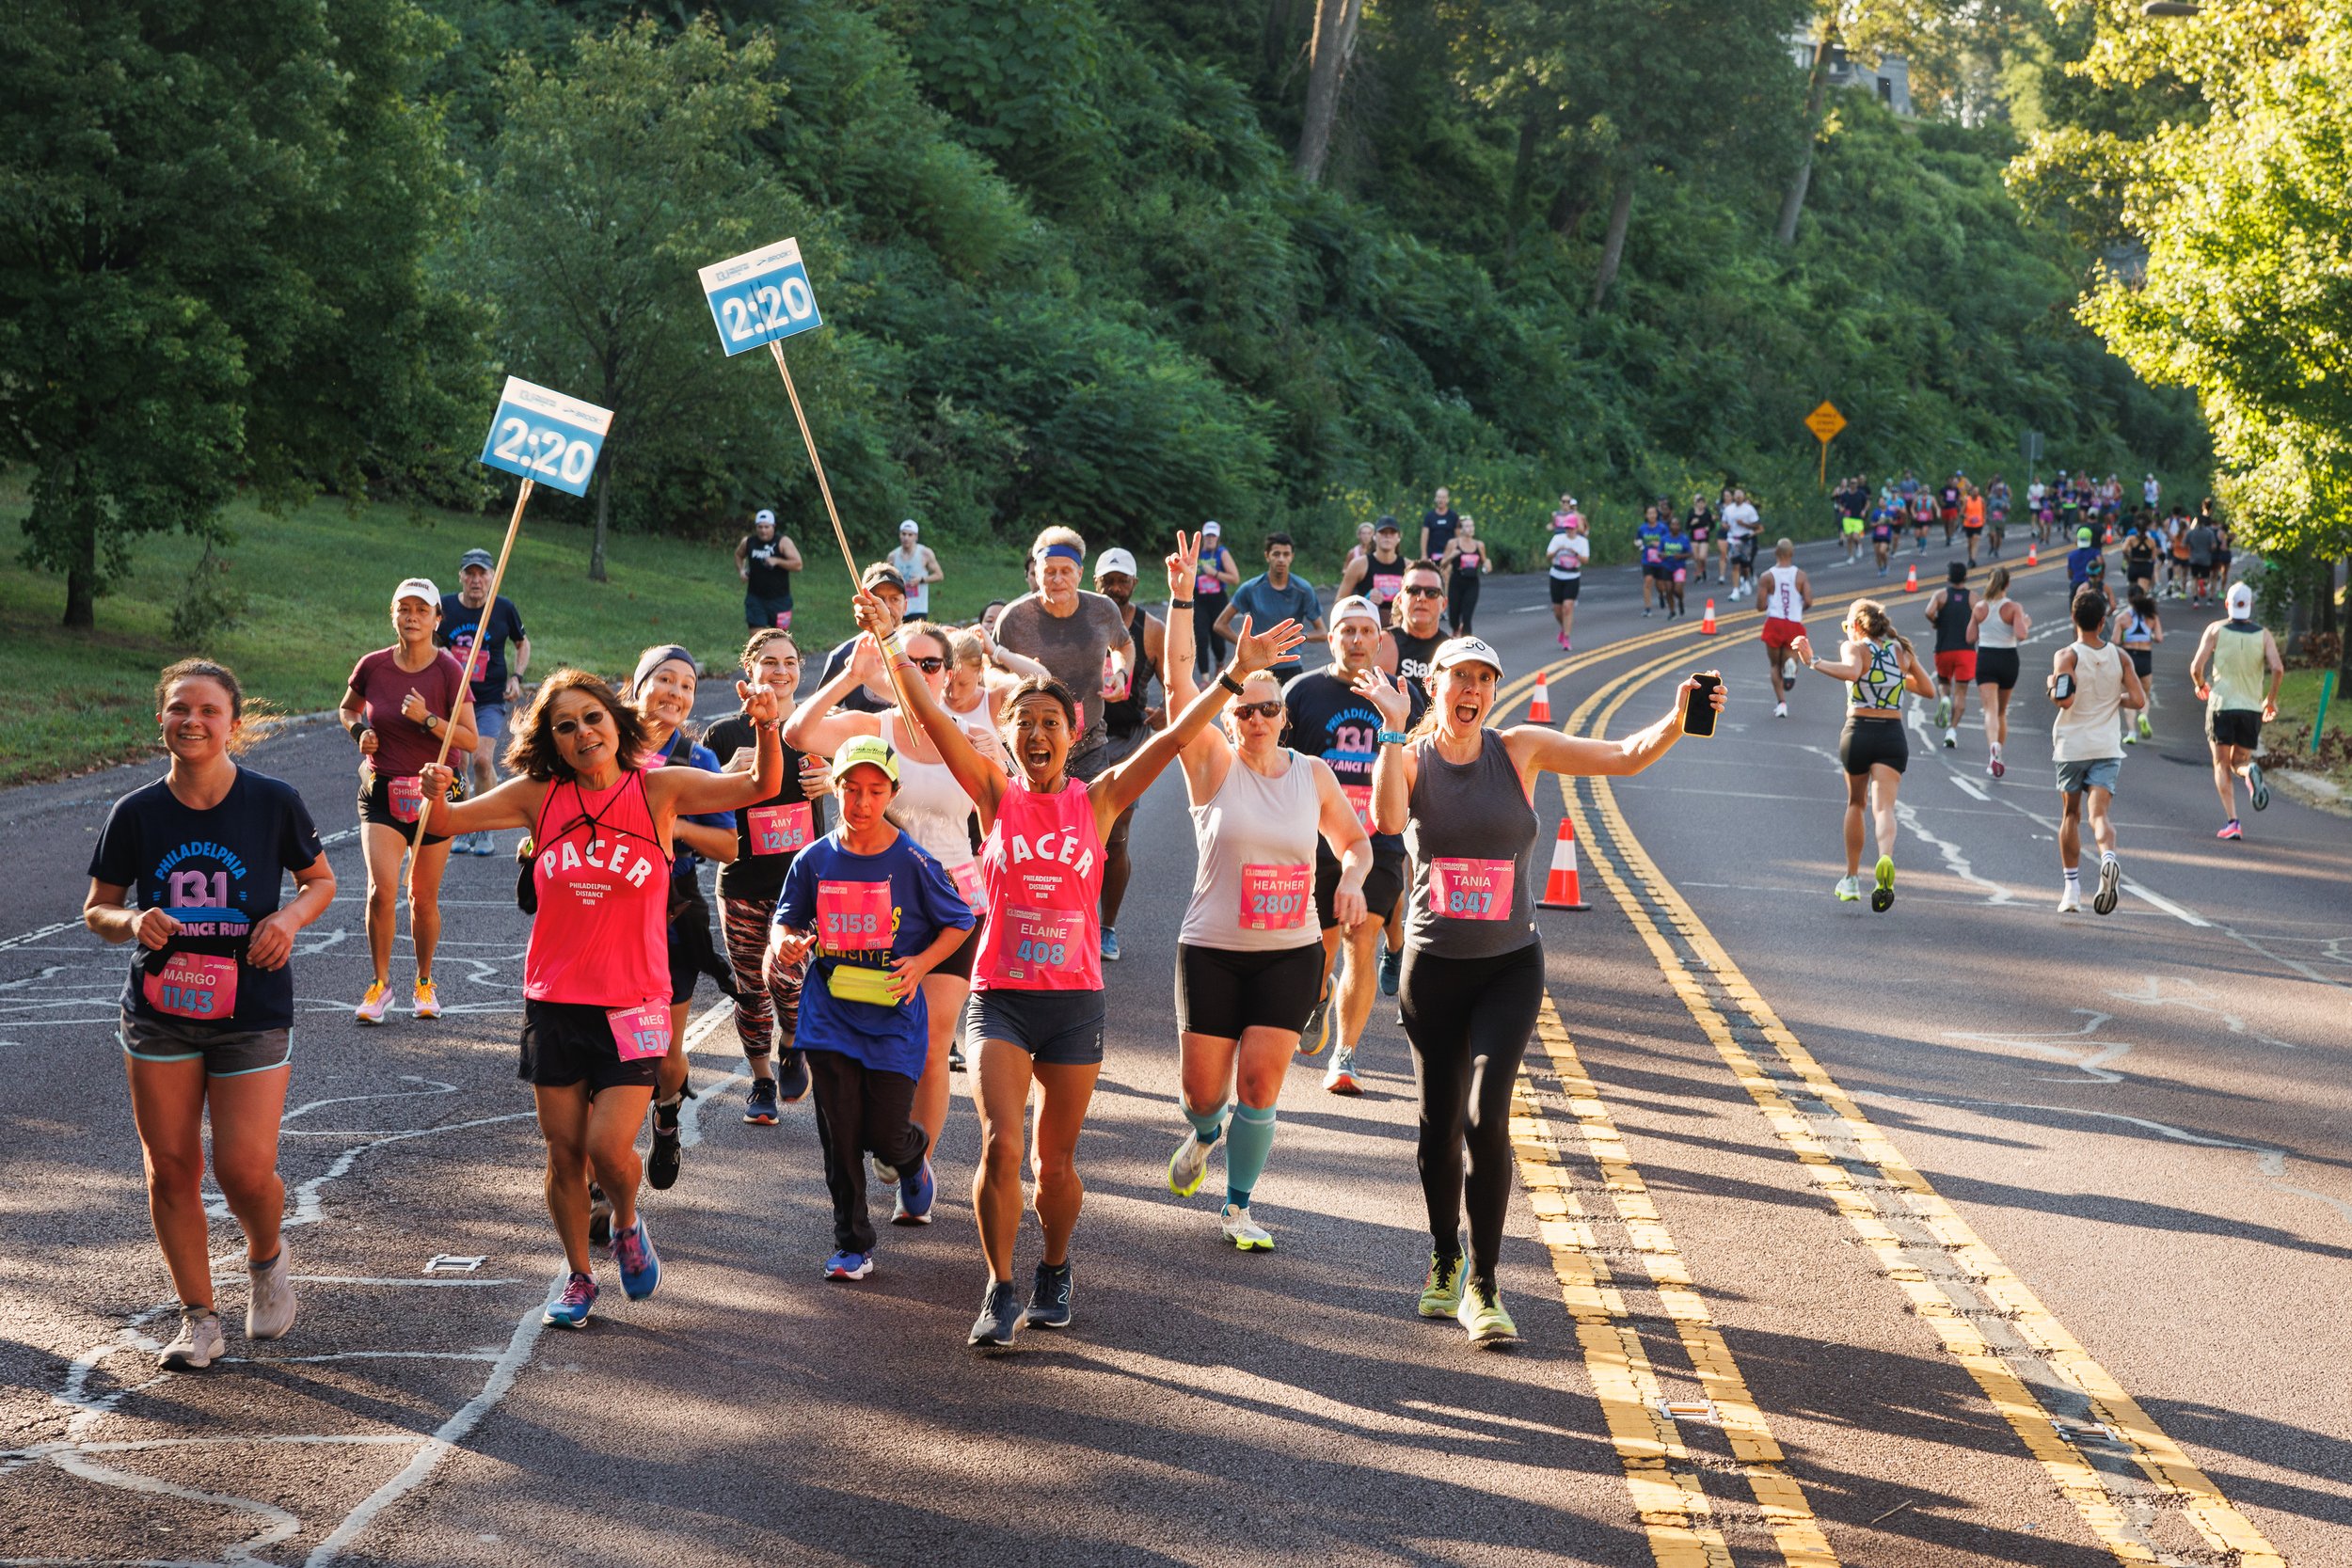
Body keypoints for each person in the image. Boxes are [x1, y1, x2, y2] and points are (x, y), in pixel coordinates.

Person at [872, 542, 1307, 1350]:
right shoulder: (994, 792)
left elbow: (1175, 738)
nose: (1037, 733)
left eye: (1050, 723)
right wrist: (896, 640)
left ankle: (1056, 1266)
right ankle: (1000, 1285)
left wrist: (1230, 676)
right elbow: (931, 716)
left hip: (1073, 1003)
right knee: (1002, 1145)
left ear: (1071, 732)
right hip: (1000, 993)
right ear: (1006, 736)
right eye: (1024, 723)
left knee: (1055, 1166)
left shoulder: (1099, 797)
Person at [1357, 640, 1718, 1346]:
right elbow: (1390, 822)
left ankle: (1485, 1284)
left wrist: (1676, 720)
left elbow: (1622, 755)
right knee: (1439, 1127)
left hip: (1508, 965)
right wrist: (1396, 728)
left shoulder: (1519, 748)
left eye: (1486, 679)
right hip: (1432, 966)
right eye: (1461, 676)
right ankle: (1444, 1253)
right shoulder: (1409, 755)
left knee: (1487, 1114)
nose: (1474, 689)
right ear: (1436, 684)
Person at [417, 666, 785, 1327]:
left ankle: (626, 1219)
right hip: (555, 1002)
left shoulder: (659, 788)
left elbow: (761, 785)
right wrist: (433, 790)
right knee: (563, 1152)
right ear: (552, 742)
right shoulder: (538, 795)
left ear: (617, 722)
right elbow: (444, 818)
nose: (582, 732)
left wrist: (766, 723)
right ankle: (580, 1274)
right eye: (565, 725)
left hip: (635, 1002)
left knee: (609, 1146)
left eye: (592, 717)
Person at [86, 660, 337, 1370]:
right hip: (161, 1009)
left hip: (251, 1004)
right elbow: (96, 909)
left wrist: (287, 919)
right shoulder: (135, 812)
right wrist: (133, 919)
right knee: (170, 1168)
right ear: (160, 719)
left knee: (244, 1170)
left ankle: (265, 1260)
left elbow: (319, 880)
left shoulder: (272, 800)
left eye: (207, 709)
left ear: (234, 721)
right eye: (177, 709)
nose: (191, 720)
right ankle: (199, 1317)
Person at [1159, 582, 1371, 1246]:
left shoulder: (1313, 774)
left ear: (1284, 714)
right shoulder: (1212, 765)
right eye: (1244, 710)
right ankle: (1202, 1133)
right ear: (1229, 717)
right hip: (1213, 950)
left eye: (1267, 709)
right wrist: (1183, 602)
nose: (1255, 719)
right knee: (1203, 1092)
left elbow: (1354, 842)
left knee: (1259, 1083)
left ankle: (1238, 1207)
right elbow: (1174, 687)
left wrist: (1357, 878)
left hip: (1290, 951)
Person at [786, 622, 997, 1170]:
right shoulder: (871, 727)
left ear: (949, 674)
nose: (921, 674)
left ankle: (913, 1158)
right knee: (873, 1040)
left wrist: (999, 758)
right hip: (872, 906)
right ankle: (888, 1132)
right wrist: (849, 676)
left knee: (932, 1044)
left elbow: (1007, 815)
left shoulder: (969, 737)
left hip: (953, 905)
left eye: (932, 665)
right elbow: (798, 733)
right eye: (910, 662)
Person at [769, 735, 975, 1279]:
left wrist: (921, 964)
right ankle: (852, 1243)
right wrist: (783, 942)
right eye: (851, 790)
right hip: (831, 1013)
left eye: (874, 791)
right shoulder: (814, 858)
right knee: (840, 1137)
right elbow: (786, 919)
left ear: (892, 793)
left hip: (891, 1018)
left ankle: (913, 1159)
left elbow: (960, 921)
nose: (861, 803)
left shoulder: (912, 860)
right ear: (835, 789)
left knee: (885, 1134)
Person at [1281, 595, 1421, 1093]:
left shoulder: (1400, 697)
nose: (1358, 640)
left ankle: (1345, 1056)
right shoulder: (1301, 692)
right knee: (1319, 948)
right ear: (1333, 637)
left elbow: (1422, 766)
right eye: (1348, 631)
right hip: (1314, 844)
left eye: (1367, 631)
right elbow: (1277, 767)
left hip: (1379, 841)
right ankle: (1318, 994)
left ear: (1381, 640)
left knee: (1362, 941)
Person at [624, 645, 744, 1201]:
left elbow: (727, 845)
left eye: (687, 686)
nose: (676, 693)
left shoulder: (699, 763)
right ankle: (606, 1175)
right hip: (604, 913)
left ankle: (667, 1114)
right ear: (638, 685)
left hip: (672, 920)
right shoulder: (603, 747)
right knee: (610, 1053)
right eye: (665, 680)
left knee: (665, 1057)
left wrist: (676, 825)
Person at [702, 629, 834, 1124]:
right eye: (770, 662)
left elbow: (873, 778)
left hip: (801, 883)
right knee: (749, 990)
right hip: (740, 882)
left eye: (791, 662)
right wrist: (725, 779)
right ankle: (760, 1082)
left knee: (788, 977)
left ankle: (794, 1040)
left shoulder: (816, 729)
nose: (781, 671)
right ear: (750, 671)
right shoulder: (723, 734)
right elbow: (694, 800)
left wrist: (834, 778)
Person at [995, 529, 1137, 960]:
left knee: (1109, 836)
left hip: (1089, 740)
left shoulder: (1102, 610)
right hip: (1032, 746)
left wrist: (1120, 674)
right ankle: (1032, 920)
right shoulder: (1015, 619)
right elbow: (991, 670)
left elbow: (1125, 647)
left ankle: (1105, 925)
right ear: (1035, 573)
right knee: (1033, 841)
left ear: (1079, 572)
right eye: (1047, 571)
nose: (1056, 579)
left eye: (1065, 571)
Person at [340, 578, 474, 1025]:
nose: (412, 617)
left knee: (422, 897)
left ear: (438, 619)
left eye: (421, 610)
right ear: (393, 615)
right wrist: (362, 732)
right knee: (381, 890)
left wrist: (428, 719)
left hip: (435, 792)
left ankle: (423, 981)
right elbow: (348, 709)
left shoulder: (449, 670)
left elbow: (470, 740)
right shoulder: (373, 666)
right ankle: (380, 985)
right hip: (381, 789)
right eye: (404, 609)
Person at [1791, 600, 1936, 911]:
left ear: (1856, 626)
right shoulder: (1902, 651)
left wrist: (1813, 660)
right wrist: (1893, 680)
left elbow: (1852, 672)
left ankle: (1852, 878)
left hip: (1859, 731)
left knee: (1856, 803)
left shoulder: (1855, 647)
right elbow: (1928, 689)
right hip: (1891, 735)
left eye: (1847, 627)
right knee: (1884, 809)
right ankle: (1885, 858)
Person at [2047, 588, 2147, 913]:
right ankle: (2108, 857)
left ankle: (2071, 891)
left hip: (2072, 746)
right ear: (2103, 621)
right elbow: (2138, 700)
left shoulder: (2067, 656)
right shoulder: (2121, 656)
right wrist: (2114, 699)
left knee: (2071, 815)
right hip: (2106, 746)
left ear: (2073, 618)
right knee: (2099, 815)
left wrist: (2052, 684)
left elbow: (2064, 699)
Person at [437, 548, 531, 856]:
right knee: (458, 764)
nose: (476, 580)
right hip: (454, 699)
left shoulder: (503, 609)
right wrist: (443, 658)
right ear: (461, 577)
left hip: (489, 697)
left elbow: (522, 642)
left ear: (492, 577)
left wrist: (516, 676)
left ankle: (484, 828)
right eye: (470, 574)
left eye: (482, 574)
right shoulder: (447, 607)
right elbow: (433, 641)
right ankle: (463, 825)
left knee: (480, 760)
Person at [2189, 581, 2285, 839]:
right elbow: (2278, 668)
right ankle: (2249, 771)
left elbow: (2196, 667)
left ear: (2227, 604)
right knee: (2239, 761)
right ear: (2251, 605)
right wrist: (2271, 700)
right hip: (2251, 708)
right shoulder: (2263, 634)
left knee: (2221, 764)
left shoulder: (2215, 630)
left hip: (2222, 705)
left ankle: (2233, 822)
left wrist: (2201, 685)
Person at [1216, 532, 1325, 682]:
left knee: (1291, 706)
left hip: (1291, 665)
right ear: (1267, 556)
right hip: (1257, 666)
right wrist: (1247, 647)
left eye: (1286, 554)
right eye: (1276, 554)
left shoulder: (1303, 589)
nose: (1281, 559)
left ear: (1292, 557)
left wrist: (1303, 636)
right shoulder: (1251, 588)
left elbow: (1323, 633)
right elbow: (1220, 624)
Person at [815, 564, 911, 715]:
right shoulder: (843, 656)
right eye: (878, 599)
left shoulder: (922, 651)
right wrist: (839, 717)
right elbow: (818, 713)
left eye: (895, 599)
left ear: (905, 605)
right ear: (862, 604)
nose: (886, 607)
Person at [1966, 566, 2030, 778]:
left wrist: (1978, 621)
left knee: (1990, 710)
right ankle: (1998, 754)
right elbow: (2021, 635)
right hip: (2008, 658)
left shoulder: (1980, 607)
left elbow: (1970, 637)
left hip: (1986, 657)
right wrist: (2025, 623)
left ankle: (1992, 748)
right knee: (2002, 711)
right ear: (2007, 585)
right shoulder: (2013, 607)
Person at [1756, 539, 1810, 719]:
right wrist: (1797, 607)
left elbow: (1761, 605)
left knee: (1774, 665)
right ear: (1792, 554)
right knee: (1790, 658)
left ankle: (1781, 704)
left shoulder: (1767, 576)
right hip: (1793, 622)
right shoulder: (1801, 575)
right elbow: (1809, 601)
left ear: (1776, 553)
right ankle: (1792, 667)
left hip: (1774, 622)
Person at [1925, 562, 1976, 750]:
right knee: (1961, 693)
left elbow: (1928, 611)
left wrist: (1937, 621)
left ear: (1948, 578)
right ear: (1965, 578)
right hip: (1966, 651)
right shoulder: (1973, 598)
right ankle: (1952, 732)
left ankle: (1944, 699)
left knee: (1944, 685)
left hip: (1943, 649)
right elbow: (1982, 615)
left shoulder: (1940, 595)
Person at [736, 508, 803, 631]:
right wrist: (741, 570)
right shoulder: (749, 542)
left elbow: (798, 565)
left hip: (780, 600)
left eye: (767, 527)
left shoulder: (783, 542)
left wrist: (777, 561)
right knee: (756, 640)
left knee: (780, 639)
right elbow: (739, 555)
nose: (763, 530)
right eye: (760, 527)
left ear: (774, 526)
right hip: (755, 599)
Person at [1190, 521, 1242, 677]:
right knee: (1200, 637)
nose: (1210, 538)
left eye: (1213, 536)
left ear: (1218, 537)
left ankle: (1220, 662)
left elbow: (1235, 578)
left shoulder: (1222, 553)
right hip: (1199, 598)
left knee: (1218, 638)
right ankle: (1205, 677)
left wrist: (1215, 573)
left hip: (1218, 599)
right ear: (1204, 536)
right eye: (1208, 536)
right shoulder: (1197, 553)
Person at [2115, 589, 2163, 746]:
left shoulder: (2122, 618)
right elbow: (2159, 638)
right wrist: (2149, 636)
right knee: (2145, 694)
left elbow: (2114, 641)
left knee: (2127, 694)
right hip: (2145, 658)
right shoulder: (2151, 617)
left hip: (2128, 658)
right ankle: (2143, 715)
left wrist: (2125, 637)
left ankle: (2132, 733)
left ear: (2129, 599)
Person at [1338, 515, 1410, 613]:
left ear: (1399, 537)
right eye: (1383, 532)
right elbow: (1338, 602)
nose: (1387, 536)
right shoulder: (1359, 565)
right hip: (1366, 625)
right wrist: (1364, 601)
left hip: (1400, 626)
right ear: (1375, 537)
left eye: (1392, 532)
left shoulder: (1409, 567)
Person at [1546, 507, 1590, 651]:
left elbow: (1585, 560)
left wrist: (1575, 553)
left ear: (1576, 528)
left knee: (1568, 607)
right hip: (1557, 575)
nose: (1569, 531)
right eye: (1567, 528)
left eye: (1571, 528)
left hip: (1572, 576)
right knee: (1557, 610)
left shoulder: (1582, 542)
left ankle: (1566, 637)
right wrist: (1557, 550)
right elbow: (1548, 556)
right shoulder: (1558, 539)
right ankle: (1564, 629)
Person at [1439, 515, 1491, 635]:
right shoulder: (1453, 543)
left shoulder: (1479, 545)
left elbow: (1485, 561)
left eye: (1472, 526)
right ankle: (1456, 630)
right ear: (1460, 529)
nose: (1470, 528)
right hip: (1456, 581)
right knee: (1454, 614)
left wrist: (1488, 564)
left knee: (1467, 616)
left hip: (1472, 583)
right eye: (1467, 526)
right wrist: (1452, 555)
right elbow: (1442, 564)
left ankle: (1467, 643)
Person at [889, 519, 944, 620]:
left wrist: (921, 579)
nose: (906, 538)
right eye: (904, 534)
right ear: (899, 535)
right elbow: (887, 579)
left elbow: (939, 575)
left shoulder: (925, 553)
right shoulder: (893, 556)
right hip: (899, 608)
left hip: (919, 608)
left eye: (910, 535)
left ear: (916, 537)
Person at [1722, 488, 1760, 597]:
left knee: (1745, 565)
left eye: (1740, 495)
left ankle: (1745, 580)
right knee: (1735, 564)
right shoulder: (1728, 509)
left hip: (1746, 539)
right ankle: (1735, 590)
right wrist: (1725, 526)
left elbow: (1757, 525)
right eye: (1736, 495)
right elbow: (1724, 523)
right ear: (1733, 497)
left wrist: (1744, 524)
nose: (1738, 497)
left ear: (1743, 496)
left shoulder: (1749, 509)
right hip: (1733, 539)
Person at [1635, 504, 1670, 617]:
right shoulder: (1642, 528)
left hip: (1660, 560)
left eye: (1654, 513)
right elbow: (1637, 540)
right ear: (1646, 515)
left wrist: (1658, 544)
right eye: (1649, 513)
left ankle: (1662, 594)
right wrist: (1638, 544)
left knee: (1660, 585)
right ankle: (1647, 608)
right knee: (1648, 581)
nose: (1652, 515)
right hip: (1647, 560)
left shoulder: (1662, 528)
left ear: (1657, 514)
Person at [1419, 486, 1461, 563]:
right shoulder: (1429, 516)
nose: (1441, 500)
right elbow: (1424, 537)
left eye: (1443, 497)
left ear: (1448, 499)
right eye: (1439, 497)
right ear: (1435, 499)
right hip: (1433, 555)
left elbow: (1458, 537)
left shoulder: (1454, 516)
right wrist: (1424, 555)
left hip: (1449, 555)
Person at [2185, 511, 2219, 607]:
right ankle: (2203, 583)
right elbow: (2213, 546)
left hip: (2194, 558)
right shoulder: (2209, 532)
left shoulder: (2191, 532)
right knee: (2207, 578)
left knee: (2193, 578)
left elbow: (2185, 544)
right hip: (2205, 559)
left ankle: (2195, 600)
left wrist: (2192, 549)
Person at [1961, 484, 1987, 567]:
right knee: (1970, 543)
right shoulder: (1966, 500)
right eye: (1974, 491)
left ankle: (1973, 559)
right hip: (1968, 524)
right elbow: (1961, 512)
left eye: (1977, 492)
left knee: (1975, 540)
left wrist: (1984, 519)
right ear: (1971, 492)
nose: (1976, 493)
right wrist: (1966, 516)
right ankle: (1970, 558)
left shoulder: (1981, 500)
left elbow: (1984, 511)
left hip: (1978, 524)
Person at [1986, 476, 2010, 559]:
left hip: (2001, 520)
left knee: (1999, 537)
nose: (2000, 491)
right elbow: (1986, 506)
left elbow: (2008, 509)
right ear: (1996, 490)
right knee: (1992, 534)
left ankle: (1996, 550)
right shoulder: (1991, 498)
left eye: (2001, 490)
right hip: (1992, 519)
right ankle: (1992, 546)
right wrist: (1986, 515)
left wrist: (2005, 508)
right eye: (1998, 490)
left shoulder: (2005, 499)